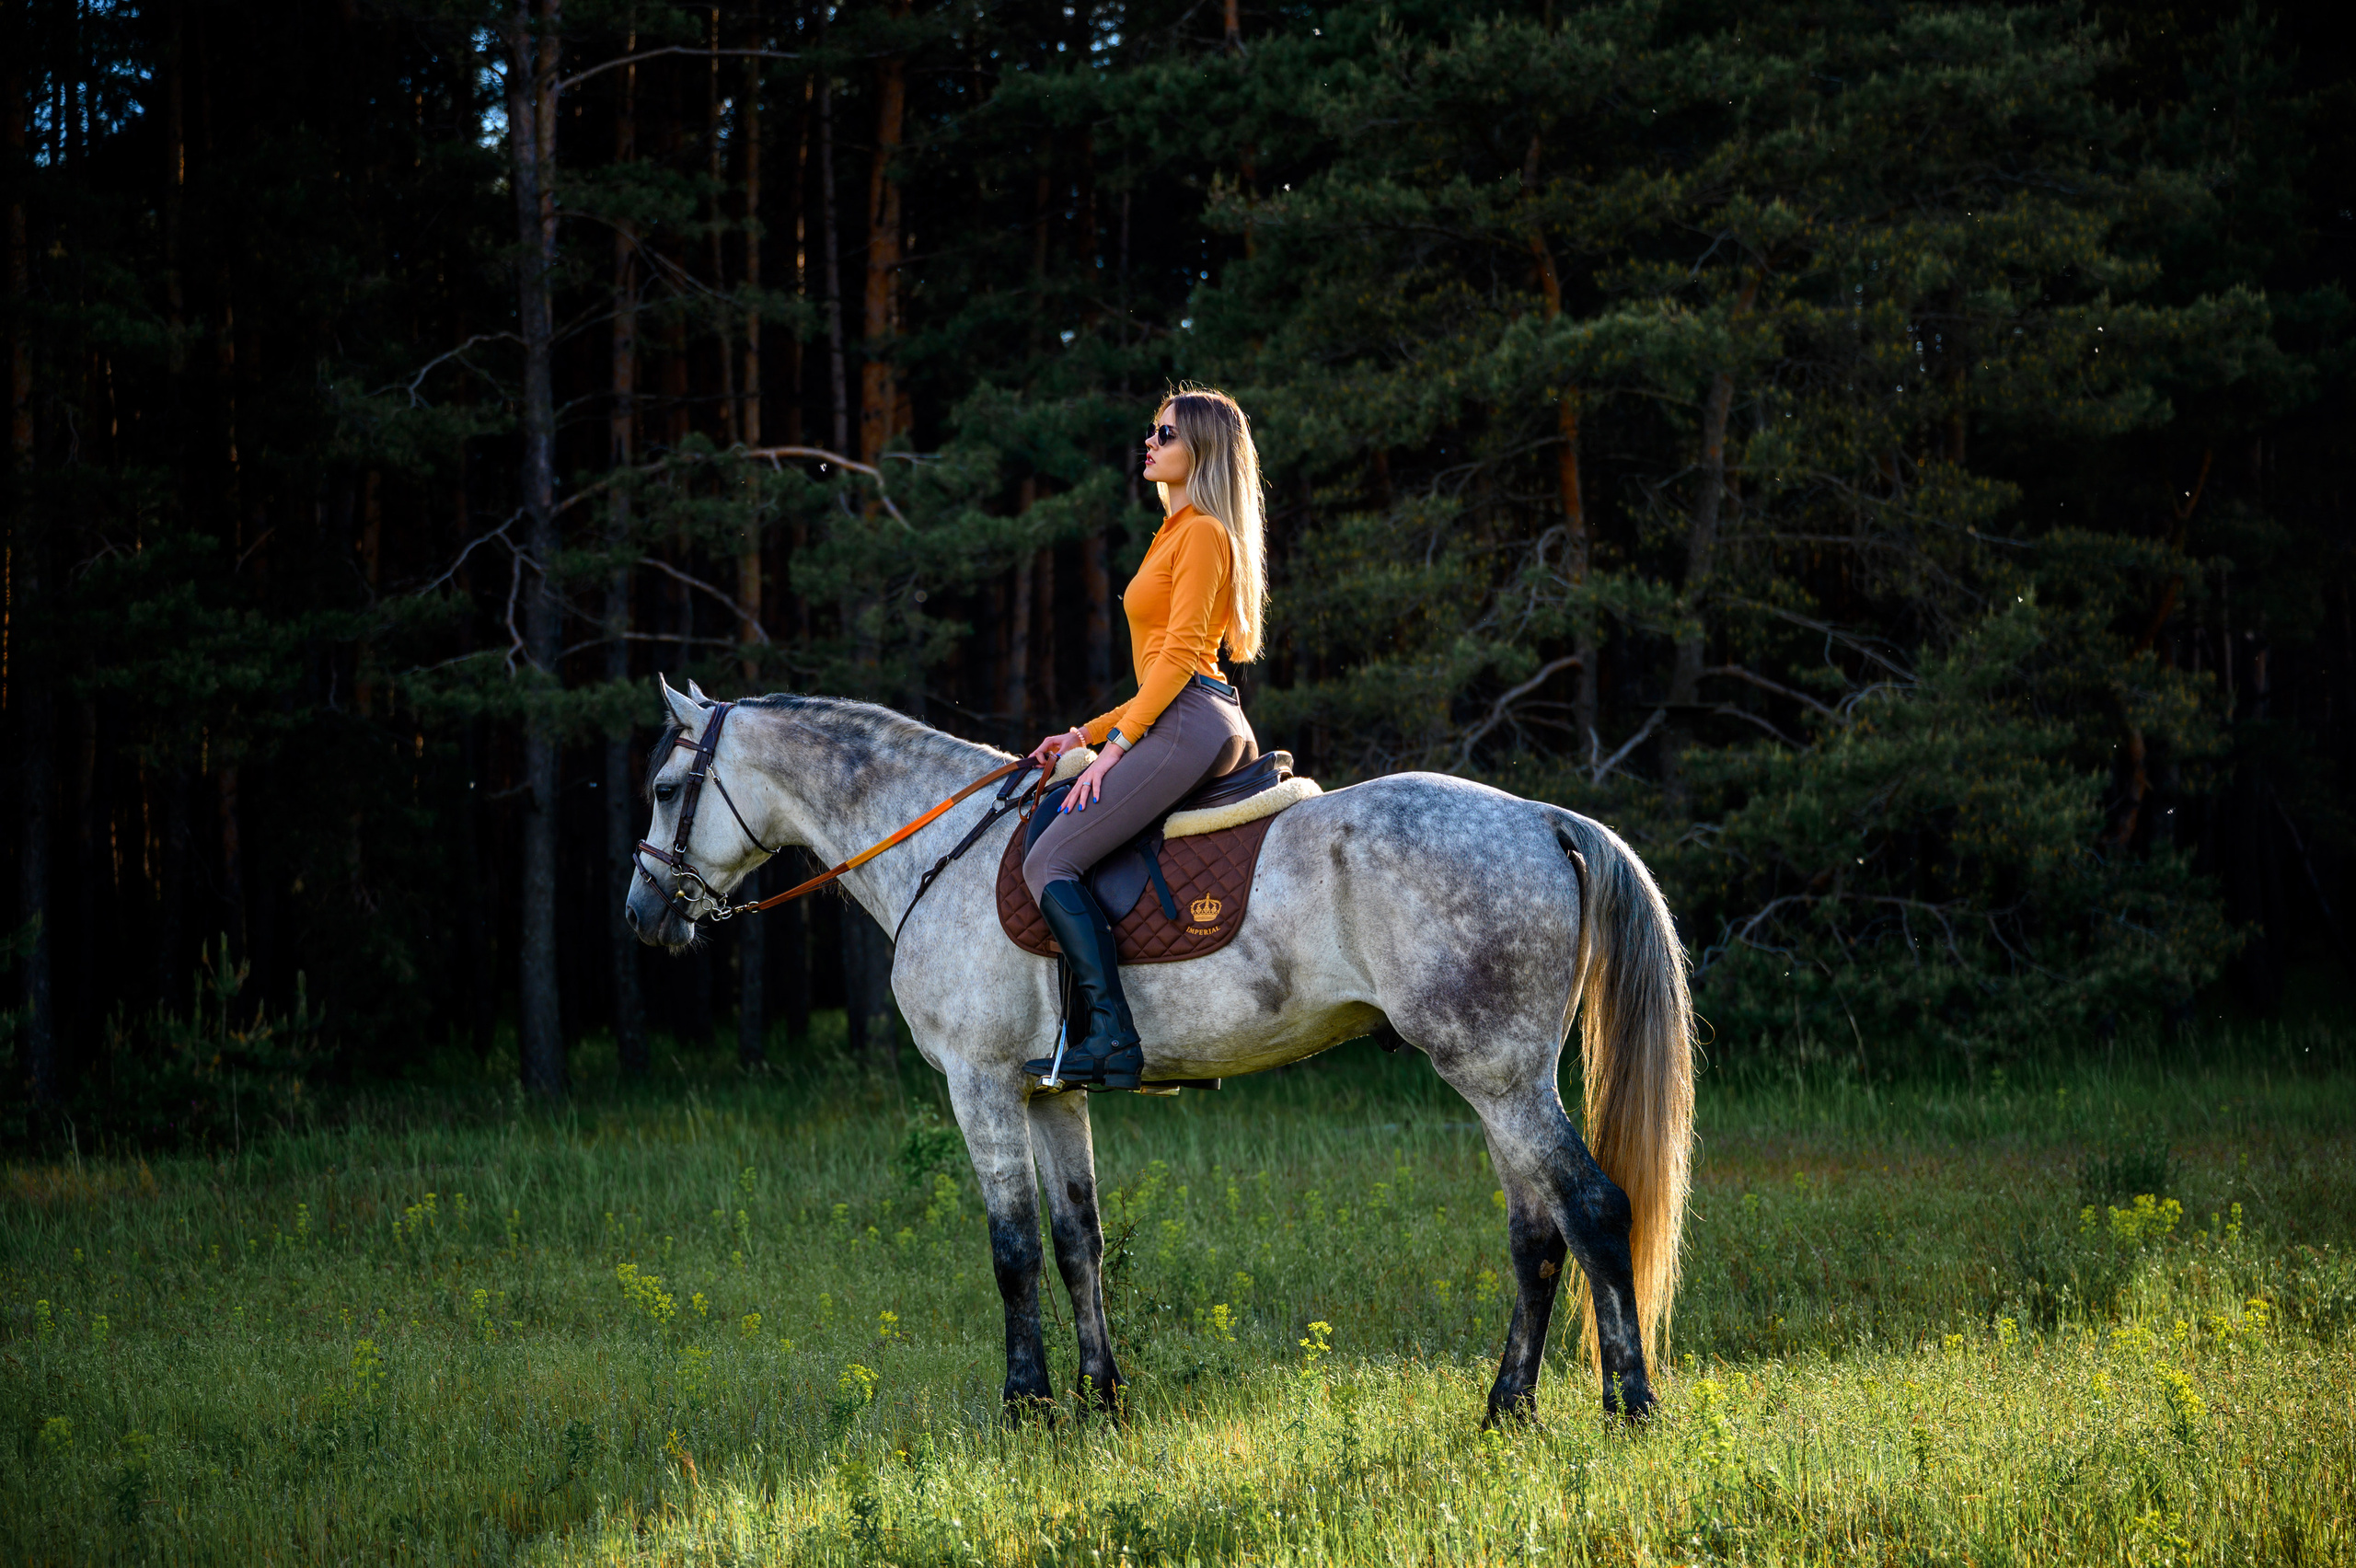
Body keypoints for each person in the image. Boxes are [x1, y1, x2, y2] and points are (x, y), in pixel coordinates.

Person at [1019, 387, 1269, 1089]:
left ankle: (1115, 1042)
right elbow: (1158, 672)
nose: (1150, 443)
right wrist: (1083, 733)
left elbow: (1184, 656)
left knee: (1050, 863)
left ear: (1204, 452)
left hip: (1189, 717)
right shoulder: (1175, 531)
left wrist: (1117, 750)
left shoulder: (1202, 533)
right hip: (1183, 711)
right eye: (1152, 432)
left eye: (1167, 434)